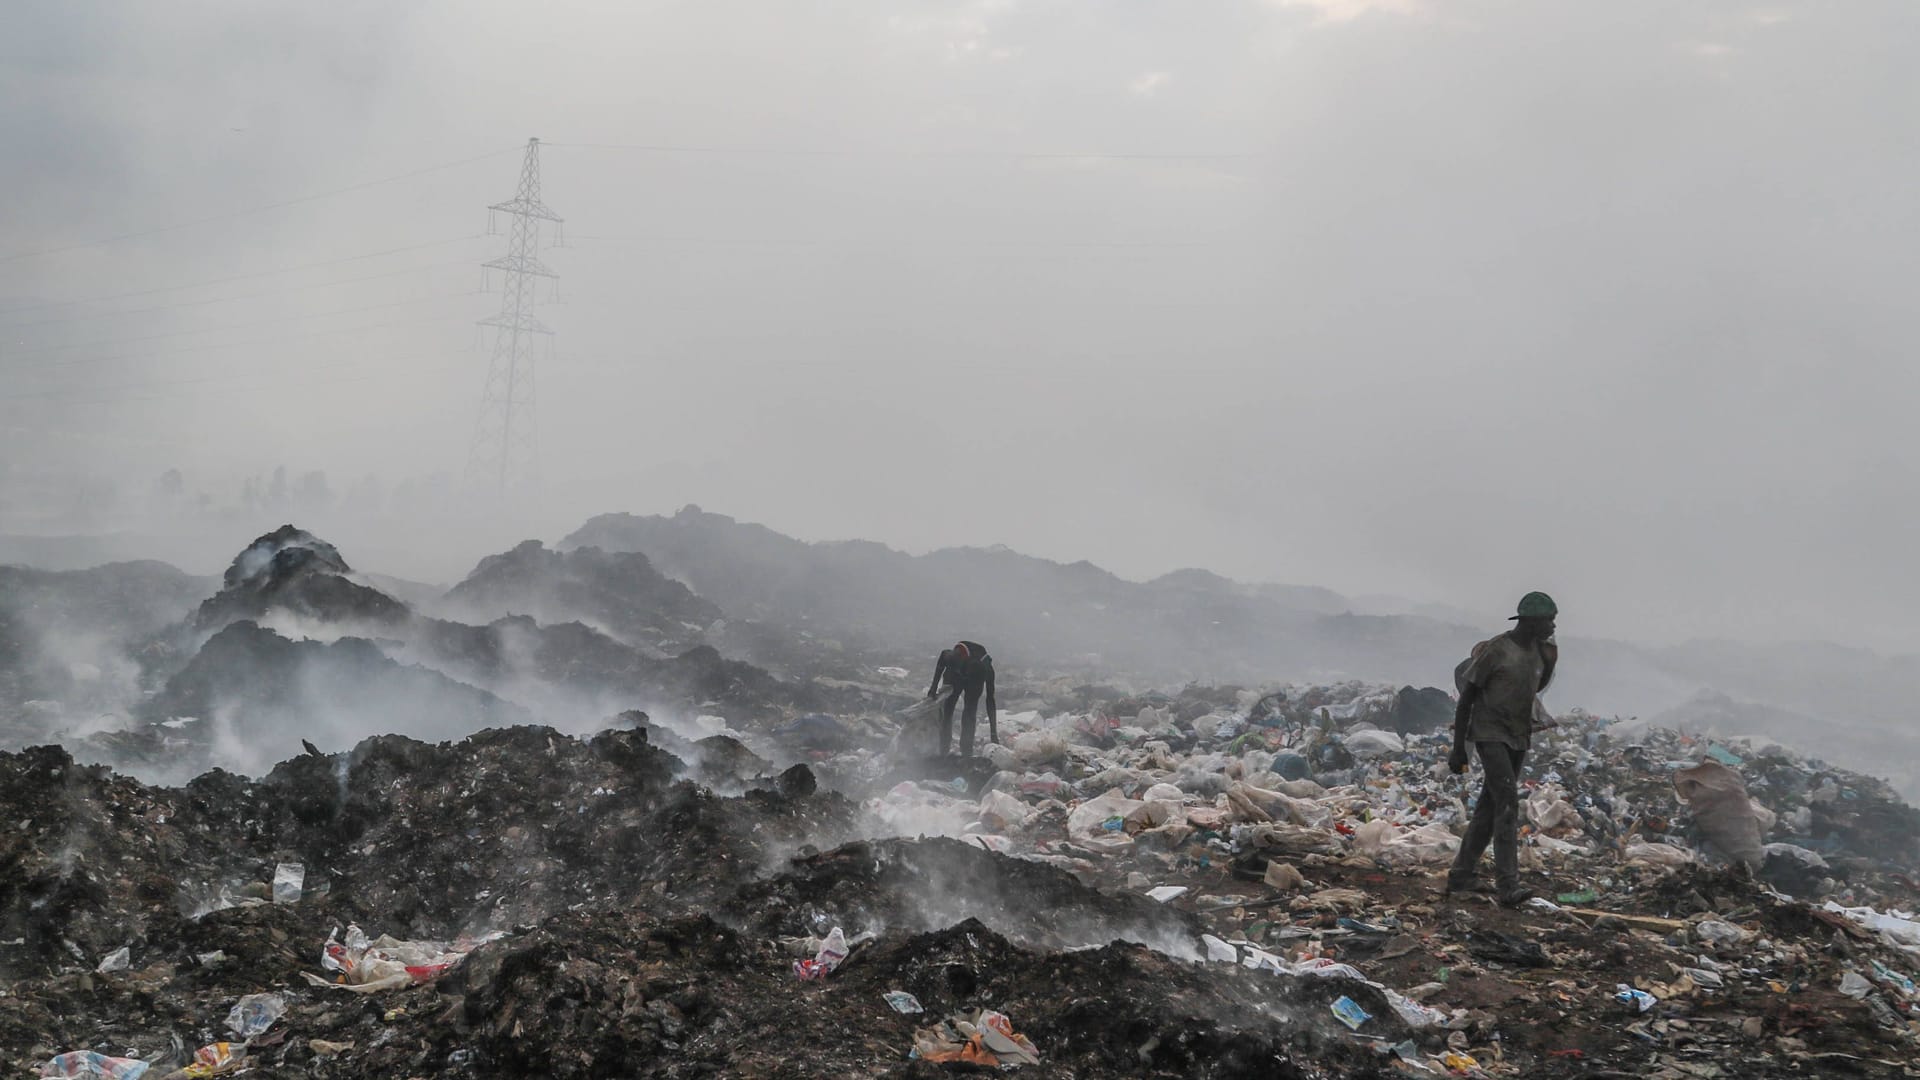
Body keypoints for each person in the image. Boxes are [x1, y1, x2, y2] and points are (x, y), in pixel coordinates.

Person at [1444, 591, 1560, 906]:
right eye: (1548, 620)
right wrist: (1459, 749)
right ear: (1531, 621)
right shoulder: (1497, 650)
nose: (1552, 626)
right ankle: (1508, 885)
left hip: (1518, 735)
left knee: (1489, 807)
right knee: (1508, 803)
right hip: (1490, 733)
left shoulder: (1542, 653)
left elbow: (1533, 689)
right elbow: (1466, 697)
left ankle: (1461, 875)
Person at [926, 640, 997, 757]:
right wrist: (933, 687)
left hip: (974, 677)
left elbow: (990, 700)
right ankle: (943, 750)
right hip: (955, 674)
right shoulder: (952, 658)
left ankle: (966, 753)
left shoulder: (985, 668)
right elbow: (942, 659)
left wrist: (993, 733)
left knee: (969, 713)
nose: (966, 677)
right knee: (947, 711)